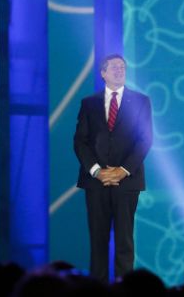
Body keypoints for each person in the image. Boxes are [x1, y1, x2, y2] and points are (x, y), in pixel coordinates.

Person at [73, 54, 154, 282]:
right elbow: (80, 141)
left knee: (124, 241)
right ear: (103, 73)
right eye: (115, 67)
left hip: (127, 182)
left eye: (123, 67)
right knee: (97, 241)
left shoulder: (140, 101)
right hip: (96, 182)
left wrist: (122, 170)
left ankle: (124, 287)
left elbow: (145, 139)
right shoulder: (89, 103)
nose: (120, 70)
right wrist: (98, 171)